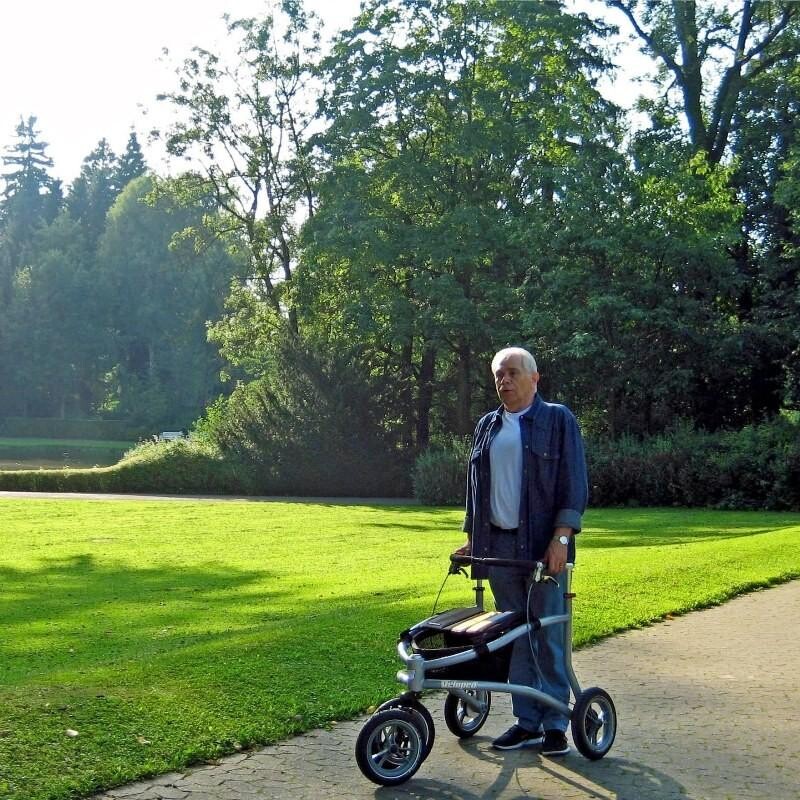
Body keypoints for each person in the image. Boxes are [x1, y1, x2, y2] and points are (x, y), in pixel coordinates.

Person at [455, 346, 587, 757]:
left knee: (547, 633)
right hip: (500, 548)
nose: (504, 380)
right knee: (513, 635)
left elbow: (574, 483)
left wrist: (561, 539)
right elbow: (476, 489)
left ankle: (555, 724)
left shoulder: (557, 419)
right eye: (499, 374)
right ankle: (526, 721)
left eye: (512, 372)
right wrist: (473, 539)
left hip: (542, 547)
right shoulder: (487, 426)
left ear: (534, 378)